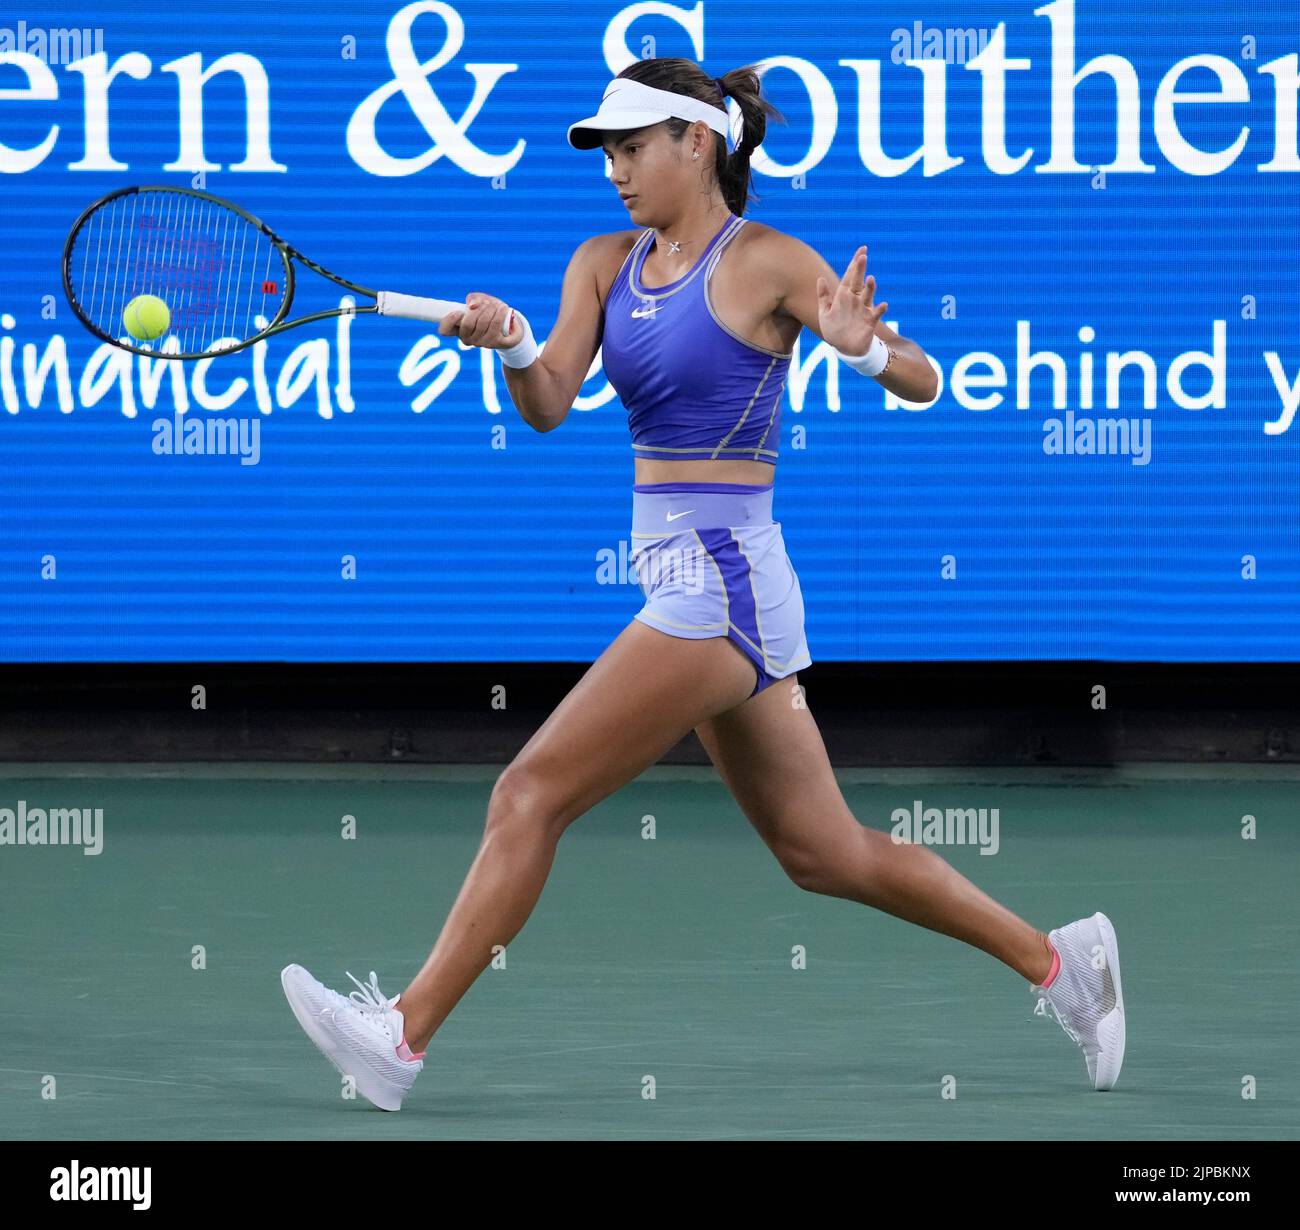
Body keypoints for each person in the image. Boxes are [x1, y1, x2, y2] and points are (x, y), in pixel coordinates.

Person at [281, 58, 1125, 1112]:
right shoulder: (600, 263)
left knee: (528, 794)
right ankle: (1063, 965)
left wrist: (862, 351)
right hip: (701, 585)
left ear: (698, 143)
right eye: (608, 154)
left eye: (633, 148)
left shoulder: (765, 261)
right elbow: (550, 401)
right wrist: (507, 346)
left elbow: (921, 376)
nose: (617, 172)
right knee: (825, 855)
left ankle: (398, 1039)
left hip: (718, 586)